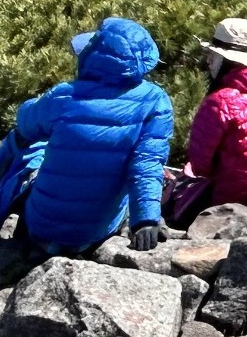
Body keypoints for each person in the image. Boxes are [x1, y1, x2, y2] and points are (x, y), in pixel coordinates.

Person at [11, 16, 174, 255]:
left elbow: (25, 125)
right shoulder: (155, 100)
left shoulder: (63, 95)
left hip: (41, 227)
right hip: (94, 232)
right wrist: (146, 219)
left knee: (29, 151)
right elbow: (147, 163)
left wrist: (38, 103)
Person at [171, 17, 247, 221]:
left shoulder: (219, 101)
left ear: (230, 61)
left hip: (233, 198)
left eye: (214, 55)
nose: (208, 61)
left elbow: (200, 167)